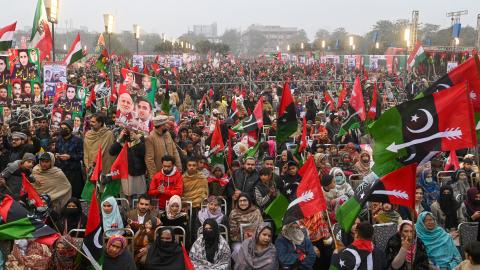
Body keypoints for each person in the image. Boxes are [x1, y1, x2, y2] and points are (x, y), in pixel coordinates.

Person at [109, 128, 147, 201]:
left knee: (140, 195)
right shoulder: (121, 137)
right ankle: (126, 211)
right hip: (125, 172)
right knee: (126, 195)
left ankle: (139, 211)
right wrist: (119, 138)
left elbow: (143, 153)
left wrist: (137, 140)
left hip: (138, 171)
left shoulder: (141, 136)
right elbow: (111, 152)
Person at [55, 120, 84, 198]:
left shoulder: (78, 140)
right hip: (62, 171)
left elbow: (81, 155)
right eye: (61, 128)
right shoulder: (58, 139)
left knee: (74, 195)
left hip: (74, 172)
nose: (62, 130)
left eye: (65, 128)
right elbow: (56, 151)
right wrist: (57, 156)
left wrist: (70, 157)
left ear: (70, 129)